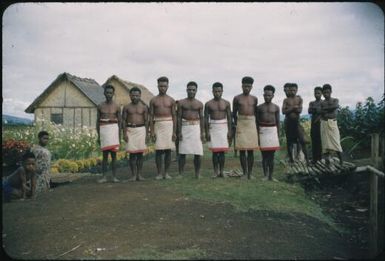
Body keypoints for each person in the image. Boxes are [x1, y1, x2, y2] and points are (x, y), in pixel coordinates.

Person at [149, 76, 177, 180]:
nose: (162, 88)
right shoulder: (153, 100)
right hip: (158, 125)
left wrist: (174, 132)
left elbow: (174, 116)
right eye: (160, 86)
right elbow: (151, 117)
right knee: (159, 151)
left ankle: (166, 173)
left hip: (169, 125)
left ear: (168, 86)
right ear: (157, 86)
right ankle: (159, 173)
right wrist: (152, 131)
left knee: (168, 150)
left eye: (164, 86)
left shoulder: (171, 100)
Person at [232, 76, 259, 179]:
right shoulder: (237, 98)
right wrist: (236, 124)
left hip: (251, 123)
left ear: (252, 87)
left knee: (251, 150)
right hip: (241, 122)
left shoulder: (254, 99)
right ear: (241, 86)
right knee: (242, 150)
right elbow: (234, 113)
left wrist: (255, 125)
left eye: (249, 86)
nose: (246, 88)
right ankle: (244, 173)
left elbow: (256, 113)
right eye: (245, 86)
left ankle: (250, 173)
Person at [204, 82, 232, 178]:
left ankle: (222, 171)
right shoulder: (208, 104)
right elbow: (205, 119)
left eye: (219, 91)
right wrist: (207, 132)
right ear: (212, 91)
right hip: (213, 127)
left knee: (222, 152)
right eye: (215, 91)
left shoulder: (227, 103)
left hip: (224, 127)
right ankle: (215, 171)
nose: (217, 93)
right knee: (215, 152)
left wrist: (230, 131)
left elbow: (229, 118)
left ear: (222, 91)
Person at [177, 81, 204, 178]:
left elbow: (201, 118)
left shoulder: (200, 104)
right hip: (184, 127)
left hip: (196, 128)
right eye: (189, 90)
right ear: (186, 90)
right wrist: (179, 132)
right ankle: (180, 173)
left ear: (196, 91)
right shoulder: (181, 103)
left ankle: (197, 173)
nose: (191, 91)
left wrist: (202, 132)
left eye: (193, 90)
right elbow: (179, 117)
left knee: (198, 152)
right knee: (182, 152)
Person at [122, 87, 149, 181]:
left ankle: (139, 174)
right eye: (133, 95)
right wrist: (124, 133)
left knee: (140, 154)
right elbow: (124, 121)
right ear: (130, 95)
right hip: (130, 130)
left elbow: (146, 121)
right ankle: (133, 175)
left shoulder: (144, 107)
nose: (135, 97)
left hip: (141, 130)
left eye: (137, 95)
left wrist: (147, 134)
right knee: (132, 155)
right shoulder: (126, 107)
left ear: (140, 96)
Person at [96, 84, 121, 183]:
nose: (109, 95)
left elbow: (120, 122)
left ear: (113, 94)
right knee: (105, 156)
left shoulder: (117, 106)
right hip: (104, 131)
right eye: (107, 93)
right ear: (104, 93)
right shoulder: (100, 106)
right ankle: (104, 177)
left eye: (111, 93)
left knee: (114, 156)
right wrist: (99, 136)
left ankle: (114, 177)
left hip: (114, 130)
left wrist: (119, 136)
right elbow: (97, 121)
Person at [256, 85, 280, 181]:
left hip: (273, 130)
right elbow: (256, 122)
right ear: (263, 95)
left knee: (272, 156)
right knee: (264, 155)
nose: (267, 97)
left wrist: (277, 134)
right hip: (263, 130)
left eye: (269, 95)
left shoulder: (276, 107)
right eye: (265, 95)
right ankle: (265, 175)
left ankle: (271, 175)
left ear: (273, 95)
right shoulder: (259, 108)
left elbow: (278, 122)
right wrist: (257, 134)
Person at [282, 83, 308, 164]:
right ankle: (291, 160)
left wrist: (289, 109)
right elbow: (283, 111)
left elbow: (299, 110)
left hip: (296, 123)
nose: (292, 92)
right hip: (288, 123)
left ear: (297, 90)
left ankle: (307, 160)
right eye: (291, 90)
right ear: (289, 90)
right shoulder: (286, 100)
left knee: (302, 141)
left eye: (294, 90)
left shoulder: (299, 99)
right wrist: (293, 108)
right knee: (289, 142)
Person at [320, 84, 343, 165]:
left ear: (331, 92)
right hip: (324, 124)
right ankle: (327, 163)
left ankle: (341, 162)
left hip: (333, 123)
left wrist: (326, 110)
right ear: (322, 93)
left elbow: (335, 106)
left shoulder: (335, 100)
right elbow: (321, 112)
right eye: (324, 92)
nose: (326, 94)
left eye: (328, 92)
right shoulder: (322, 102)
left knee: (336, 143)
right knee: (325, 145)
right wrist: (330, 109)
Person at [308, 86, 323, 163]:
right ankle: (314, 159)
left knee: (320, 141)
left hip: (321, 124)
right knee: (314, 141)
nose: (317, 94)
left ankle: (319, 158)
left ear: (321, 94)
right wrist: (318, 110)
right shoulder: (312, 103)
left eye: (318, 93)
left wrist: (316, 110)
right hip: (313, 124)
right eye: (315, 93)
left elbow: (323, 112)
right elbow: (309, 111)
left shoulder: (323, 102)